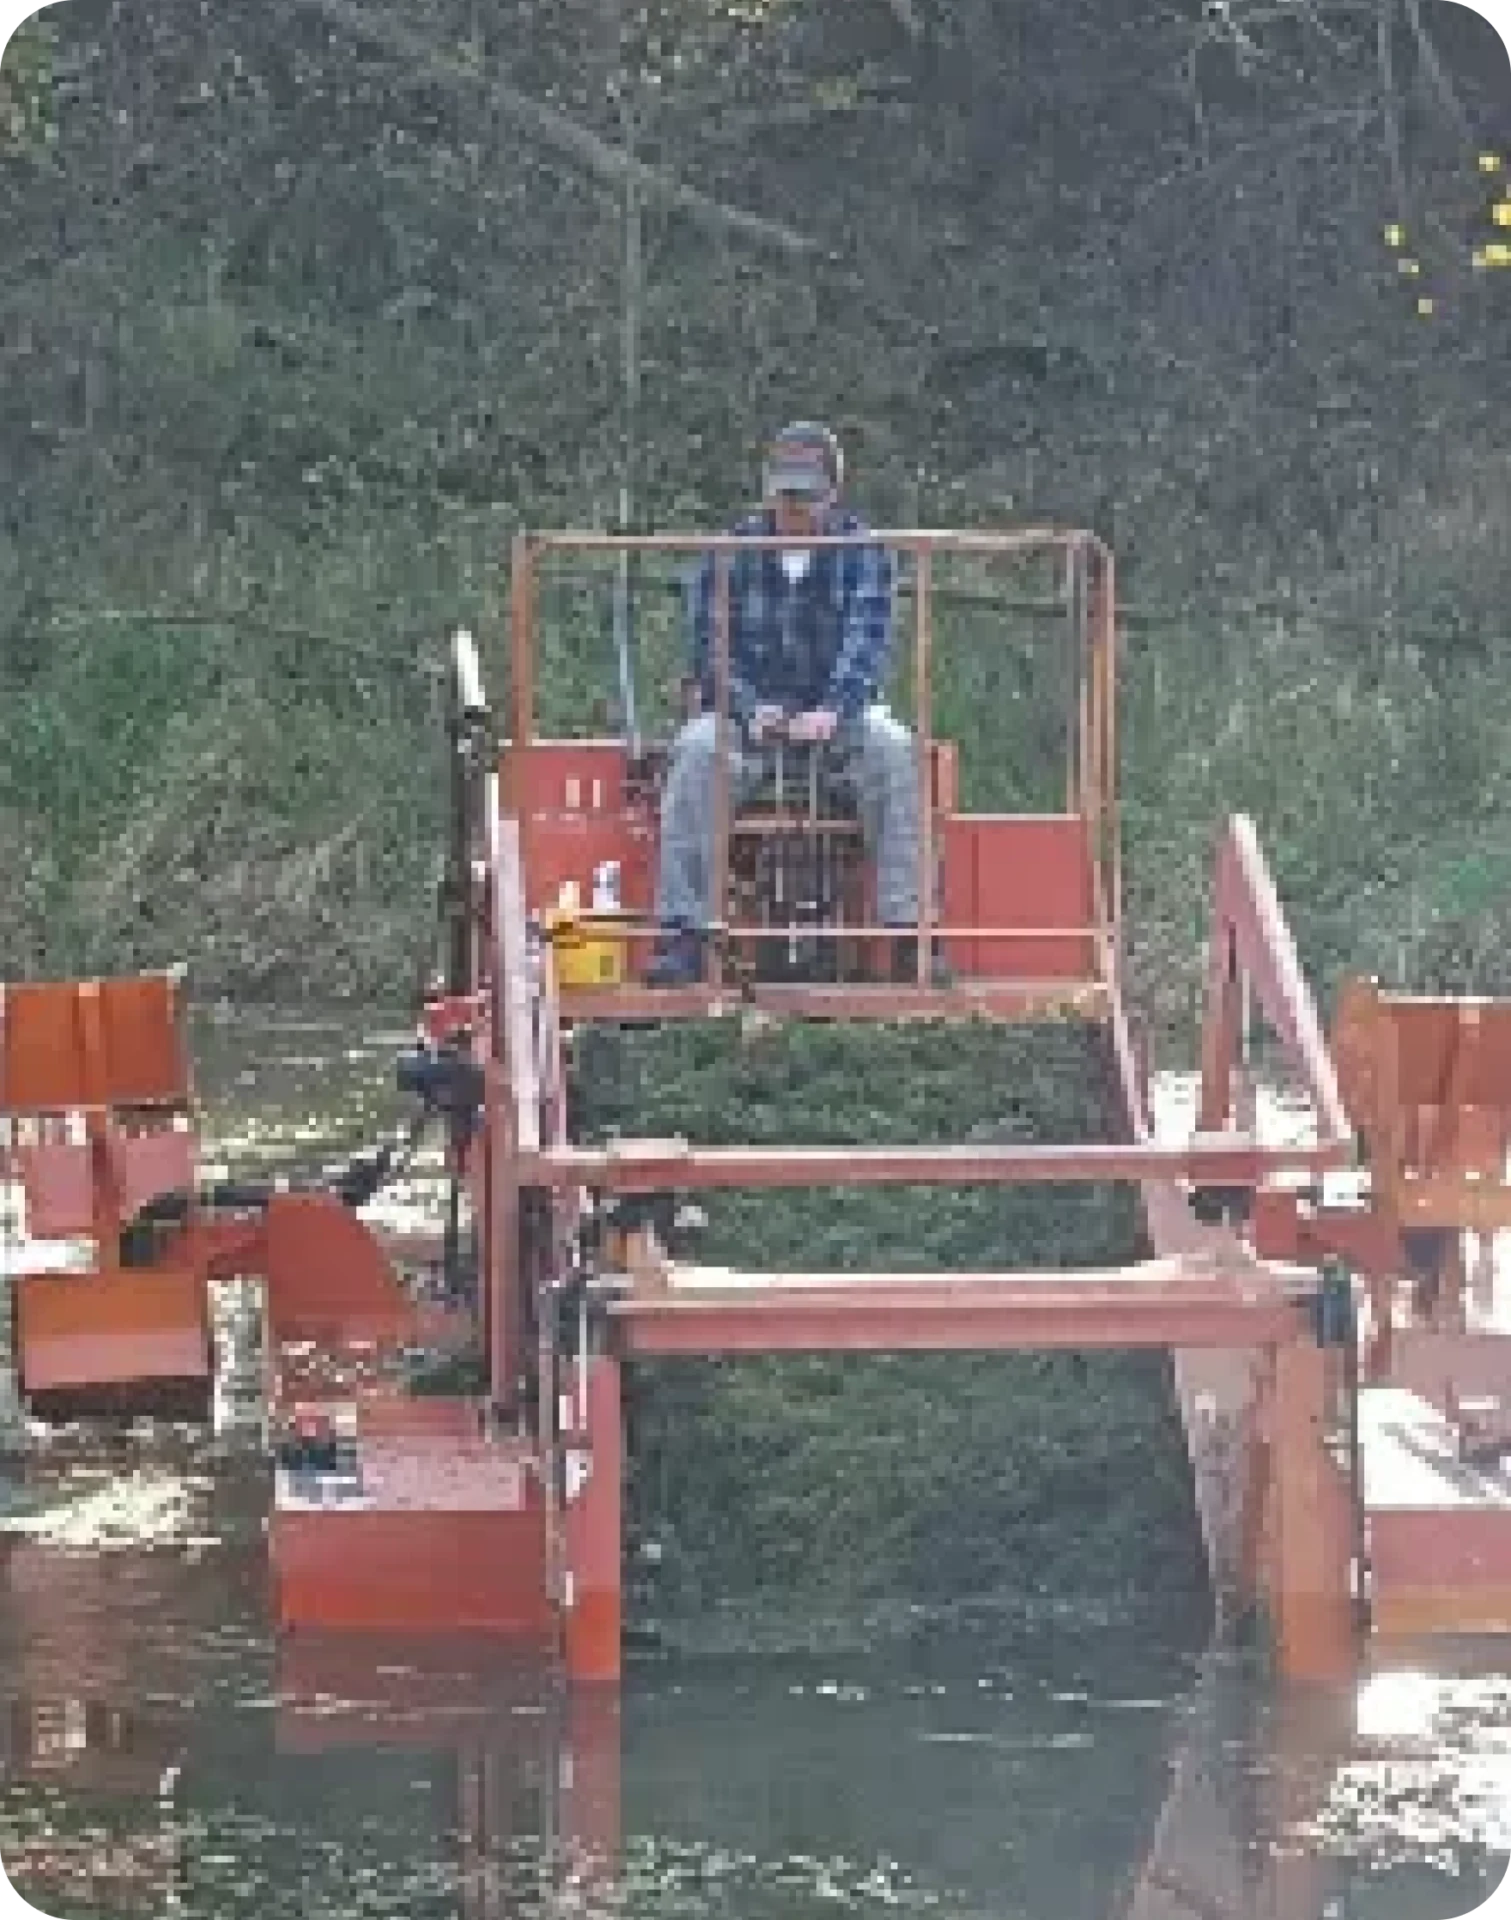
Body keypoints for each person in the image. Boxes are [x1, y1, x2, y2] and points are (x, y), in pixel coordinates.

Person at [646, 421, 947, 987]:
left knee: (891, 749)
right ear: (768, 491)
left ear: (833, 494)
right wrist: (748, 707)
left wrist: (832, 711)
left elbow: (868, 644)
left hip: (837, 724)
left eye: (805, 497)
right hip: (748, 724)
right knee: (694, 751)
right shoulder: (728, 554)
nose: (794, 508)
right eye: (785, 495)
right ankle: (680, 937)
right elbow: (709, 647)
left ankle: (911, 935)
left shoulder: (865, 553)